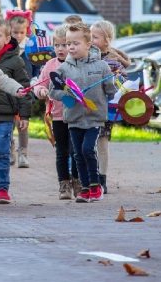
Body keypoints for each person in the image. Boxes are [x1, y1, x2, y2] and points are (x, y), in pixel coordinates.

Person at [49, 22, 116, 203]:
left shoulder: (101, 66)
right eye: (68, 43)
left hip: (94, 118)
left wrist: (113, 84)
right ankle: (84, 188)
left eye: (75, 43)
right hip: (73, 118)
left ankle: (96, 186)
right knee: (77, 154)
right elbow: (52, 91)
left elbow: (110, 90)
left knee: (88, 149)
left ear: (88, 44)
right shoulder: (63, 69)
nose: (70, 47)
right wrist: (67, 96)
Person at [0, 18, 31, 204]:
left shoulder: (15, 61)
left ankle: (3, 188)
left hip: (5, 114)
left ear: (7, 38)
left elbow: (24, 86)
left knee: (1, 151)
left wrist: (24, 114)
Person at [34, 25, 80, 199]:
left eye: (65, 45)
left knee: (76, 151)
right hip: (58, 116)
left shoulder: (78, 64)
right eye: (57, 45)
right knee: (62, 151)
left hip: (76, 116)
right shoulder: (50, 65)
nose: (60, 49)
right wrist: (40, 91)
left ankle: (77, 181)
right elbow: (40, 84)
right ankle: (64, 184)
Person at [90, 20, 131, 194]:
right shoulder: (86, 58)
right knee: (87, 144)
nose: (91, 40)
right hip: (88, 107)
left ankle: (102, 179)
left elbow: (123, 82)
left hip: (106, 109)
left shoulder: (114, 61)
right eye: (89, 36)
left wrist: (115, 78)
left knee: (102, 143)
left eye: (95, 37)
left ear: (106, 40)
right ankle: (88, 176)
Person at [7, 14, 34, 168]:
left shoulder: (30, 48)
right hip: (8, 91)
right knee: (8, 123)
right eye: (15, 32)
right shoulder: (7, 48)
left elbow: (36, 67)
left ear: (26, 31)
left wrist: (35, 80)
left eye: (21, 32)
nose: (18, 36)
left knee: (23, 123)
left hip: (24, 90)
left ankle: (23, 153)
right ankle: (9, 150)